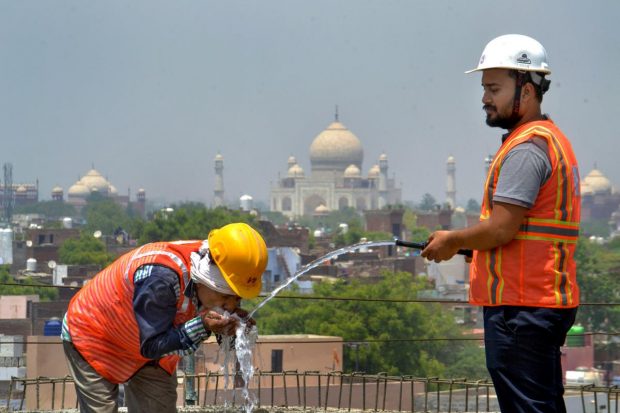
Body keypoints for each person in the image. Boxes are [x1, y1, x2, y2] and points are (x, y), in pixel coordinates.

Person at [421, 34, 580, 412]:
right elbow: (520, 234)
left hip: (523, 308)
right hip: (534, 302)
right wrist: (468, 246)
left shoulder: (527, 149)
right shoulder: (547, 140)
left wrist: (452, 239)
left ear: (527, 90)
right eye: (484, 88)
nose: (484, 98)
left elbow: (501, 229)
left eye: (494, 88)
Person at [62, 222, 268, 413]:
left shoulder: (221, 264)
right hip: (95, 334)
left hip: (152, 349)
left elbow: (155, 347)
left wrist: (231, 329)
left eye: (237, 298)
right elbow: (151, 345)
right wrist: (204, 326)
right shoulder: (160, 278)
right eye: (225, 296)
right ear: (208, 278)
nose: (230, 305)